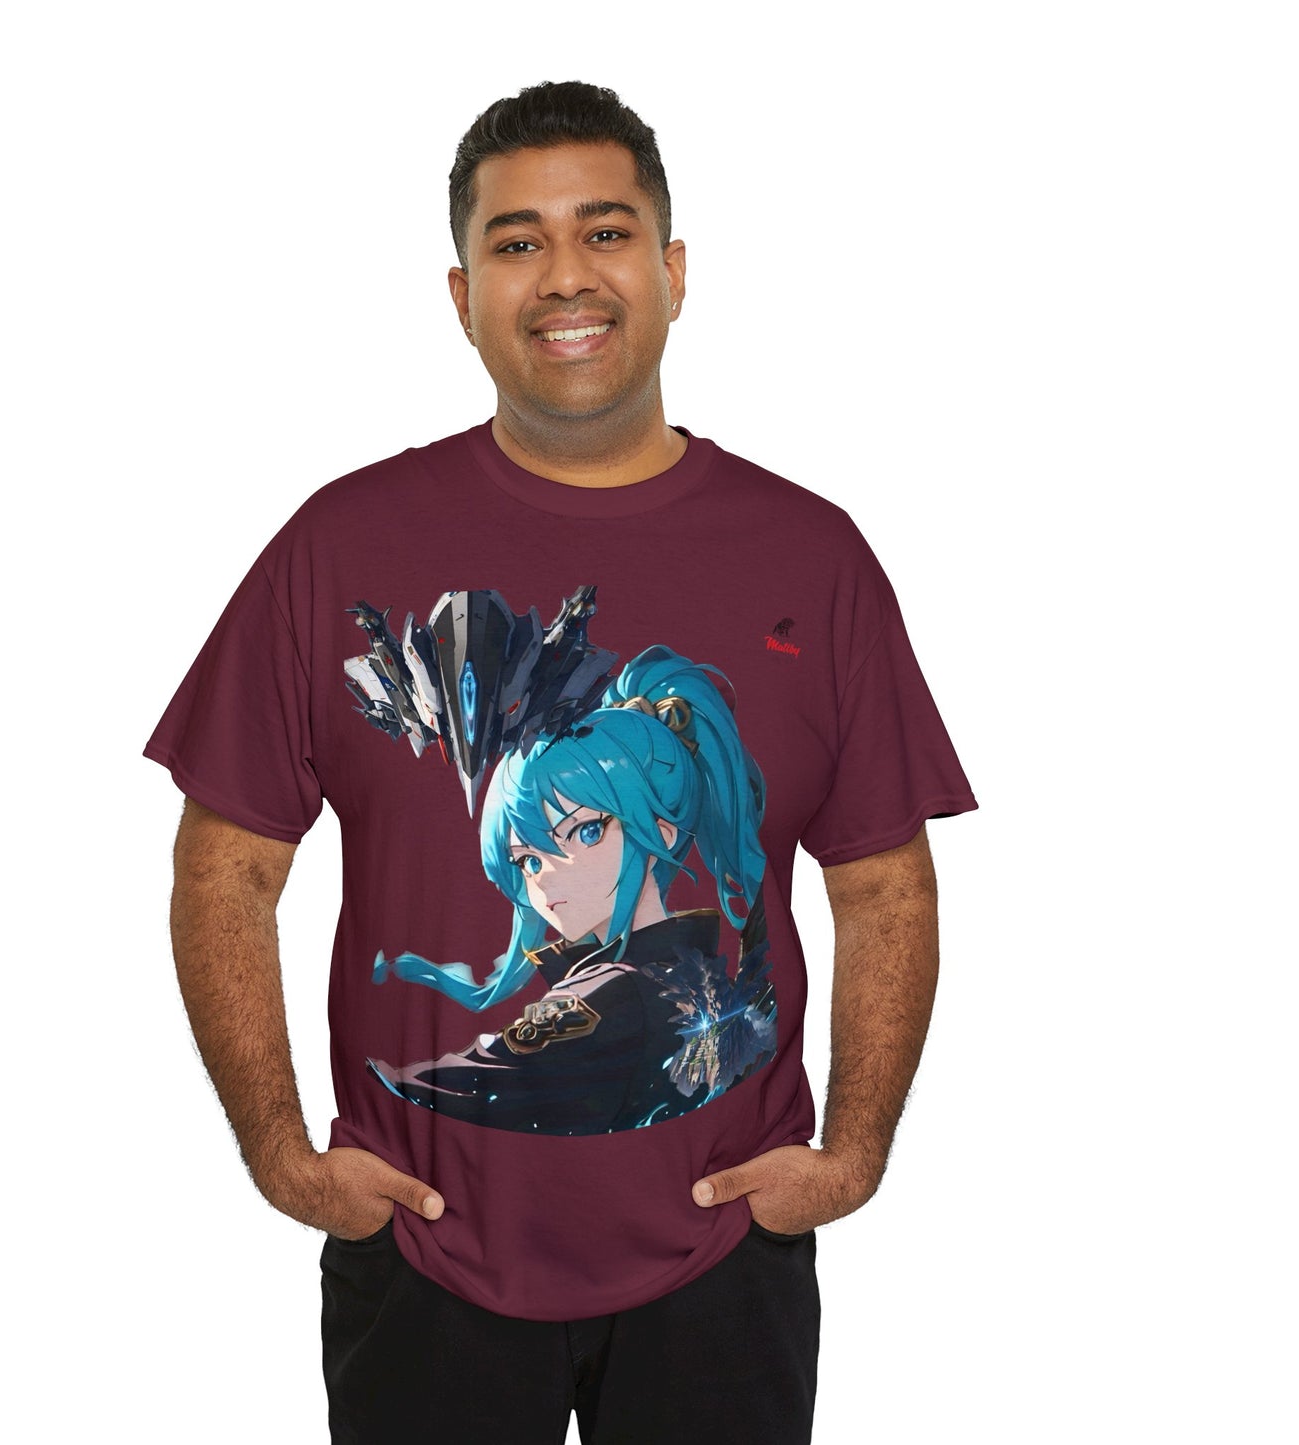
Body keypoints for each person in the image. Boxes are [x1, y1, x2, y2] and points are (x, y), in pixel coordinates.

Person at [146, 80, 977, 1445]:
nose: (565, 276)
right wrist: (282, 1154)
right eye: (517, 242)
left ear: (674, 270)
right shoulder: (338, 543)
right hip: (422, 1249)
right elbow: (225, 867)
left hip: (724, 1248)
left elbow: (883, 879)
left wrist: (854, 1153)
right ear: (463, 295)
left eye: (604, 230)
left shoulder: (810, 554)